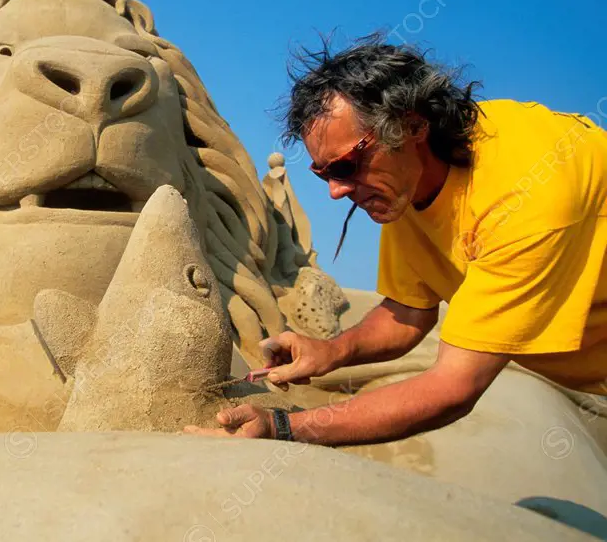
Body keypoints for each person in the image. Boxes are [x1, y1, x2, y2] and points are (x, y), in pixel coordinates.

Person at [185, 34, 607, 444]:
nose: (335, 190)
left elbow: (452, 390)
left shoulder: (527, 191)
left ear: (413, 125)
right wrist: (331, 352)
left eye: (346, 166)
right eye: (324, 173)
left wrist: (283, 427)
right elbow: (408, 313)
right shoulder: (405, 182)